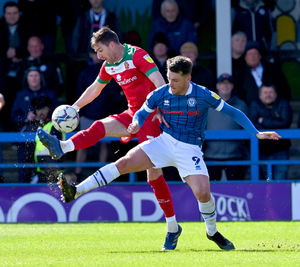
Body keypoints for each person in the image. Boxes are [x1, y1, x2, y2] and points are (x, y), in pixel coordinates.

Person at [56, 56, 280, 251]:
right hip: (163, 143)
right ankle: (76, 191)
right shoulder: (160, 93)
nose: (170, 84)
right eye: (169, 78)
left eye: (175, 80)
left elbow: (233, 112)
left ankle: (212, 232)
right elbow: (142, 113)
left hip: (190, 149)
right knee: (123, 163)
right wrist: (135, 124)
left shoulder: (204, 95)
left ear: (188, 79)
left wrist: (256, 133)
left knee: (203, 193)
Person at [37, 27, 180, 250]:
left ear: (112, 44)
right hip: (133, 114)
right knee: (100, 126)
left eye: (100, 50)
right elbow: (95, 88)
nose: (99, 55)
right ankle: (63, 146)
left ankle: (172, 227)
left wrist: (161, 107)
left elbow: (159, 81)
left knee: (153, 175)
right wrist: (74, 108)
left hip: (151, 116)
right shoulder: (109, 65)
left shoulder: (137, 55)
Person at [11, 66, 59, 182]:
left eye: (36, 75)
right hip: (26, 139)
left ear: (40, 78)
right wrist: (25, 118)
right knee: (24, 171)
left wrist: (45, 116)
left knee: (48, 172)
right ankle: (22, 194)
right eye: (31, 76)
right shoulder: (21, 95)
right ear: (26, 78)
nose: (34, 78)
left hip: (46, 139)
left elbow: (58, 113)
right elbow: (13, 116)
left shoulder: (49, 94)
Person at [204, 73, 249, 181]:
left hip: (235, 155)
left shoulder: (241, 105)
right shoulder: (208, 105)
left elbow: (246, 129)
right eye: (222, 83)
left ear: (232, 86)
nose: (225, 86)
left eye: (228, 83)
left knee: (236, 192)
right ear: (217, 86)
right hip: (211, 155)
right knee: (211, 192)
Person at [249, 84, 292, 180]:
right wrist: (276, 121)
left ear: (276, 94)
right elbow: (253, 124)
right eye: (265, 92)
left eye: (271, 92)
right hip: (261, 150)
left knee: (280, 181)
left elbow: (285, 123)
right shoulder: (255, 104)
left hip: (281, 149)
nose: (268, 95)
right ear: (260, 95)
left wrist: (264, 121)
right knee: (264, 181)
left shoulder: (283, 103)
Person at [235, 41, 290, 105]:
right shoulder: (240, 73)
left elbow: (285, 89)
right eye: (250, 54)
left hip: (274, 109)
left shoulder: (273, 69)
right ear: (245, 58)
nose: (252, 57)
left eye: (255, 54)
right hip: (250, 110)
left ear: (260, 56)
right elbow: (238, 94)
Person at [31, 96, 65, 184]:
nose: (40, 112)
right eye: (38, 109)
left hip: (53, 171)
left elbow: (59, 148)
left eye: (43, 108)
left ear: (48, 109)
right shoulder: (38, 126)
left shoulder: (55, 125)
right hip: (41, 170)